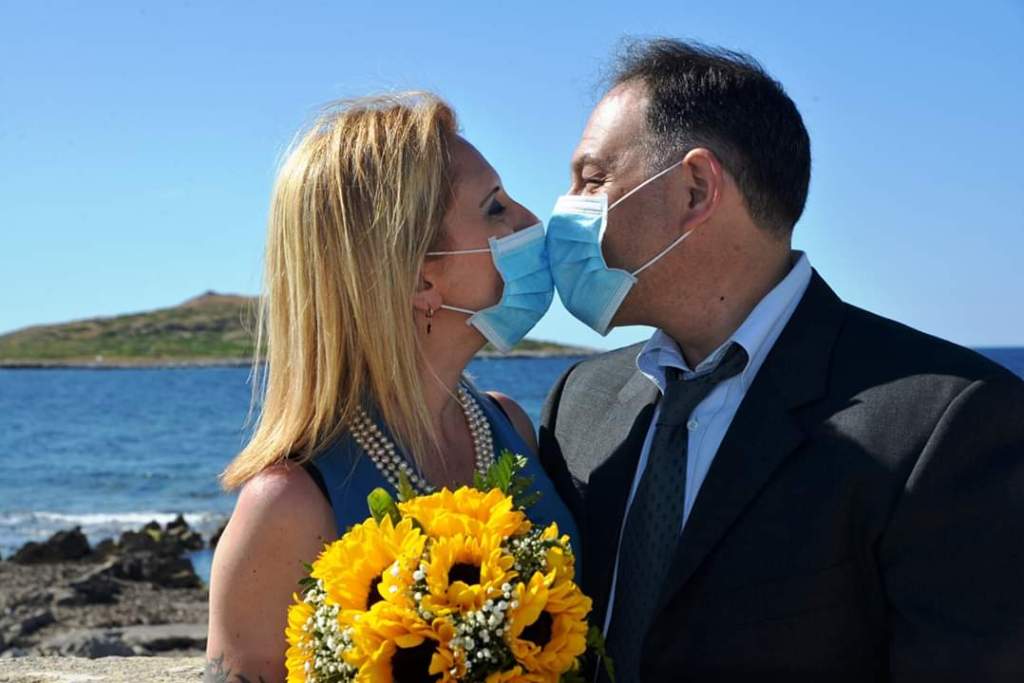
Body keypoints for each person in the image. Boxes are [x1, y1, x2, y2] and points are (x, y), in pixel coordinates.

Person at [539, 38, 1024, 681]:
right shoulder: (578, 402)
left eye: (593, 178)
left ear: (695, 189)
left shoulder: (947, 423)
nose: (565, 205)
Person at [205, 92, 579, 682]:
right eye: (495, 208)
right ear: (418, 278)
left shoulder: (510, 426)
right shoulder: (286, 505)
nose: (531, 222)